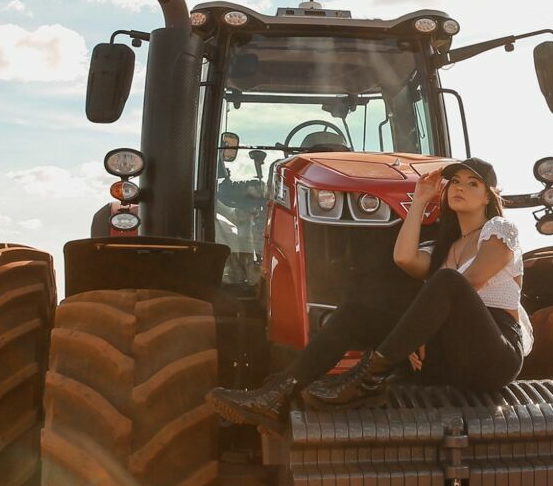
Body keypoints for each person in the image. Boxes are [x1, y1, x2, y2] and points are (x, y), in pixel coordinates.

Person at [206, 156, 530, 432]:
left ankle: (365, 381)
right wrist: (419, 201)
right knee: (354, 314)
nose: (459, 187)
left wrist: (426, 330)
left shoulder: (500, 230)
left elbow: (468, 283)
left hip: (493, 353)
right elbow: (404, 259)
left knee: (446, 282)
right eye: (455, 182)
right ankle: (276, 395)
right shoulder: (445, 247)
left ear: (489, 196)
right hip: (451, 355)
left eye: (472, 184)